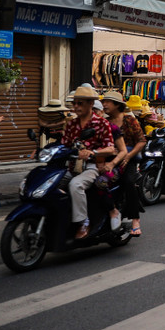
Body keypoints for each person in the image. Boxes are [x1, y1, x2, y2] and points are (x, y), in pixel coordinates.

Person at [63, 86, 116, 239]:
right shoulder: (71, 124)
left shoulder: (102, 123)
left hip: (92, 166)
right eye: (74, 103)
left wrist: (93, 152)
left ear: (91, 104)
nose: (76, 107)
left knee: (76, 185)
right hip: (71, 166)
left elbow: (110, 148)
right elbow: (64, 144)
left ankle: (83, 222)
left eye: (80, 103)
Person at [102, 91, 145, 237]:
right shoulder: (105, 122)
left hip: (128, 160)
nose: (104, 104)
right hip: (109, 159)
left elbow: (141, 141)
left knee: (128, 182)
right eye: (103, 102)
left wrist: (128, 156)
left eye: (108, 102)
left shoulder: (129, 120)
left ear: (117, 105)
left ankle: (135, 219)